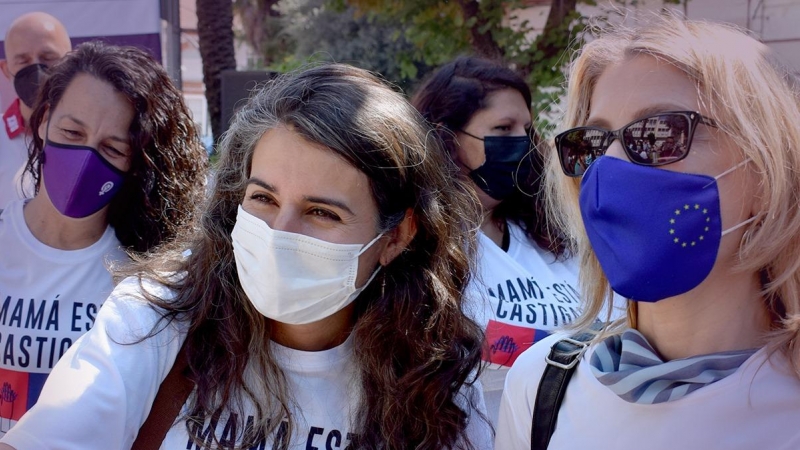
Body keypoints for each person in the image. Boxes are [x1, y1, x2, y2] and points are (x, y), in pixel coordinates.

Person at [0, 63, 493, 449]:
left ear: (396, 236)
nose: (279, 233)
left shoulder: (437, 383)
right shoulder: (157, 318)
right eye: (263, 199)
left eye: (322, 213)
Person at [496, 15, 800, 450]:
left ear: (768, 170)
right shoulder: (540, 384)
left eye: (660, 132)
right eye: (591, 143)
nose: (609, 167)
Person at [0, 41, 207, 434]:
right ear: (43, 121)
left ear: (138, 162)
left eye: (112, 149)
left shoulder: (149, 280)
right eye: (71, 132)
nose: (83, 160)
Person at [412, 56, 581, 426]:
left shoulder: (553, 235)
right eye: (503, 129)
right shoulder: (419, 243)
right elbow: (459, 342)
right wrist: (573, 350)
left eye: (526, 127)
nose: (522, 142)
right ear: (447, 139)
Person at [0, 12, 72, 208]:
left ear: (72, 62)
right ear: (6, 70)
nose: (36, 69)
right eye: (23, 61)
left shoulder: (96, 135)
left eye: (48, 57)